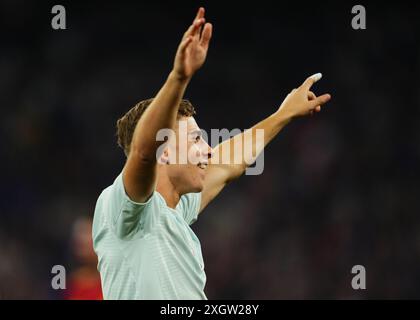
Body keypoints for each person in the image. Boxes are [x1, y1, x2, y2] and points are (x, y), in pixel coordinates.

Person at [92, 7, 331, 299]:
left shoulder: (176, 211)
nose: (208, 150)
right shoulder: (124, 210)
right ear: (164, 151)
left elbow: (228, 163)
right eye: (195, 140)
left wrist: (283, 114)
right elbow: (144, 152)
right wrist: (179, 78)